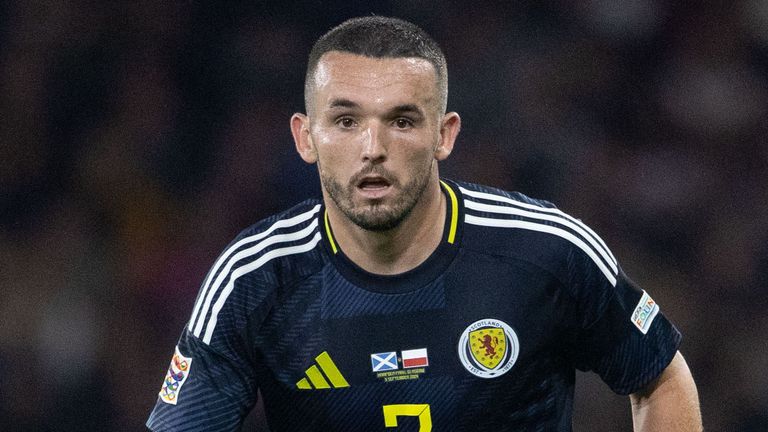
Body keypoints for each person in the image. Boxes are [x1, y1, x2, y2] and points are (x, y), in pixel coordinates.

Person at [147, 16, 702, 431]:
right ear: (305, 138)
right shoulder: (254, 281)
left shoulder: (546, 252)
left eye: (403, 121)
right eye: (345, 120)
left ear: (445, 134)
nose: (374, 148)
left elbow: (660, 377)